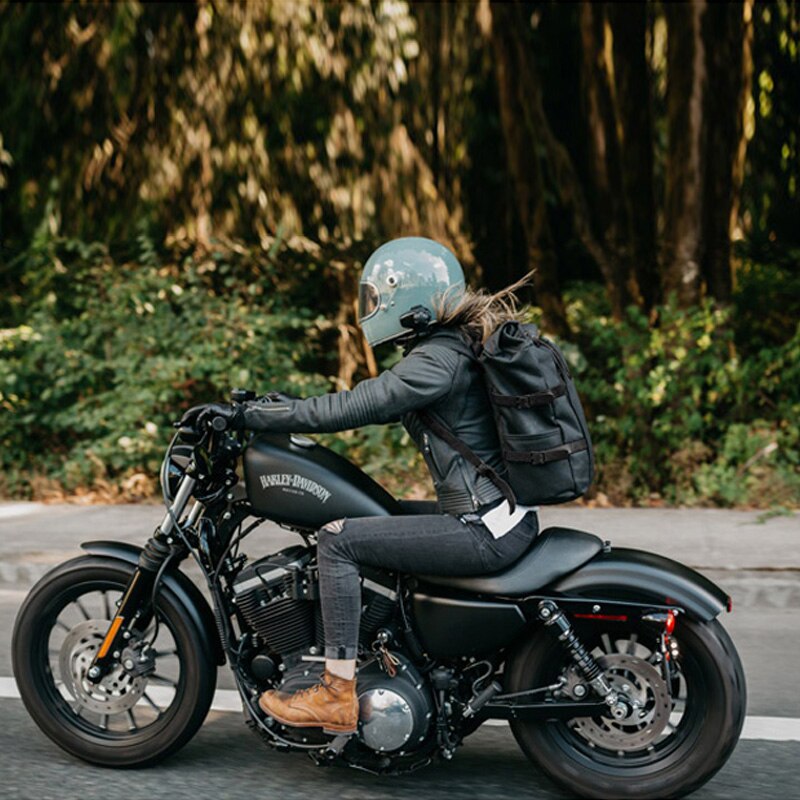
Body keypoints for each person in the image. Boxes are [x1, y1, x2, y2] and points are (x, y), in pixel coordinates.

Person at [193, 237, 539, 734]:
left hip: (483, 530)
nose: (370, 309)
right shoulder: (452, 347)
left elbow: (358, 405)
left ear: (406, 295)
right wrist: (281, 407)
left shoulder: (436, 361)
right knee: (382, 519)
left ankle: (336, 693)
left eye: (375, 297)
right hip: (494, 517)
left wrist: (251, 414)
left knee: (338, 539)